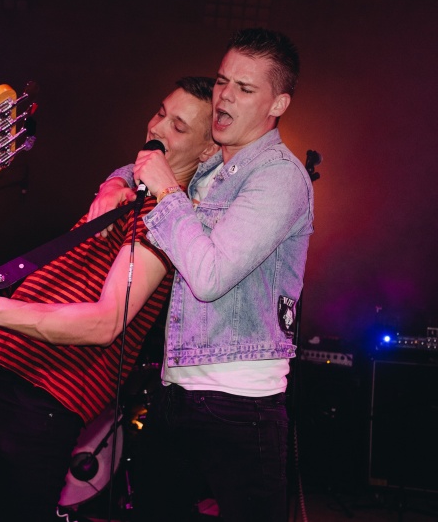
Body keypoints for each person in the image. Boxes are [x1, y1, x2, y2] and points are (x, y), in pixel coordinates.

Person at [0, 76, 219, 522]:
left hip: (45, 399)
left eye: (178, 126)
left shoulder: (172, 221)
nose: (158, 128)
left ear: (208, 149)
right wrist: (114, 182)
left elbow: (105, 323)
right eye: (160, 113)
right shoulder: (125, 195)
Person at [90, 28, 313, 522]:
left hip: (242, 403)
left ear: (278, 104)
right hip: (177, 390)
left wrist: (168, 193)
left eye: (244, 88)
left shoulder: (278, 177)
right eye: (222, 81)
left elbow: (210, 276)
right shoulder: (214, 165)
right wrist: (114, 183)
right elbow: (143, 163)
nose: (224, 96)